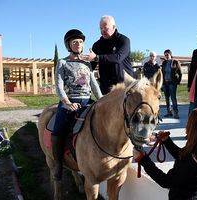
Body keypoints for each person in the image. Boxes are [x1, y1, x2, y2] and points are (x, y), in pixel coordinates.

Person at [133, 108, 197, 200]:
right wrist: (167, 141)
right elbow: (182, 158)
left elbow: (165, 181)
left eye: (188, 123)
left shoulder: (191, 159)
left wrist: (143, 160)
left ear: (193, 128)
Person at [52, 29, 103, 181]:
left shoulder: (87, 63)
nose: (78, 44)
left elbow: (93, 85)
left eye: (80, 42)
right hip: (69, 102)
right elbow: (59, 86)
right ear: (69, 45)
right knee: (58, 131)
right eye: (75, 42)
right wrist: (66, 103)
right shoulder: (62, 62)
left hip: (87, 101)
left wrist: (101, 100)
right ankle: (58, 166)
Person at [88, 15, 135, 95]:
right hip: (106, 87)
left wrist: (97, 57)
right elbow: (90, 66)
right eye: (101, 28)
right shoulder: (97, 45)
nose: (103, 31)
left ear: (114, 27)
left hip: (125, 85)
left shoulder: (123, 40)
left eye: (106, 28)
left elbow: (118, 57)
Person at [161, 49, 182, 119]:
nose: (166, 56)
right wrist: (162, 83)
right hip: (165, 83)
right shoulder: (164, 63)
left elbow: (180, 73)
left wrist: (177, 81)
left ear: (170, 54)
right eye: (165, 55)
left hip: (172, 83)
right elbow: (162, 73)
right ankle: (169, 112)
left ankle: (176, 113)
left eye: (167, 55)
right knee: (167, 98)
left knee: (173, 98)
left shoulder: (175, 62)